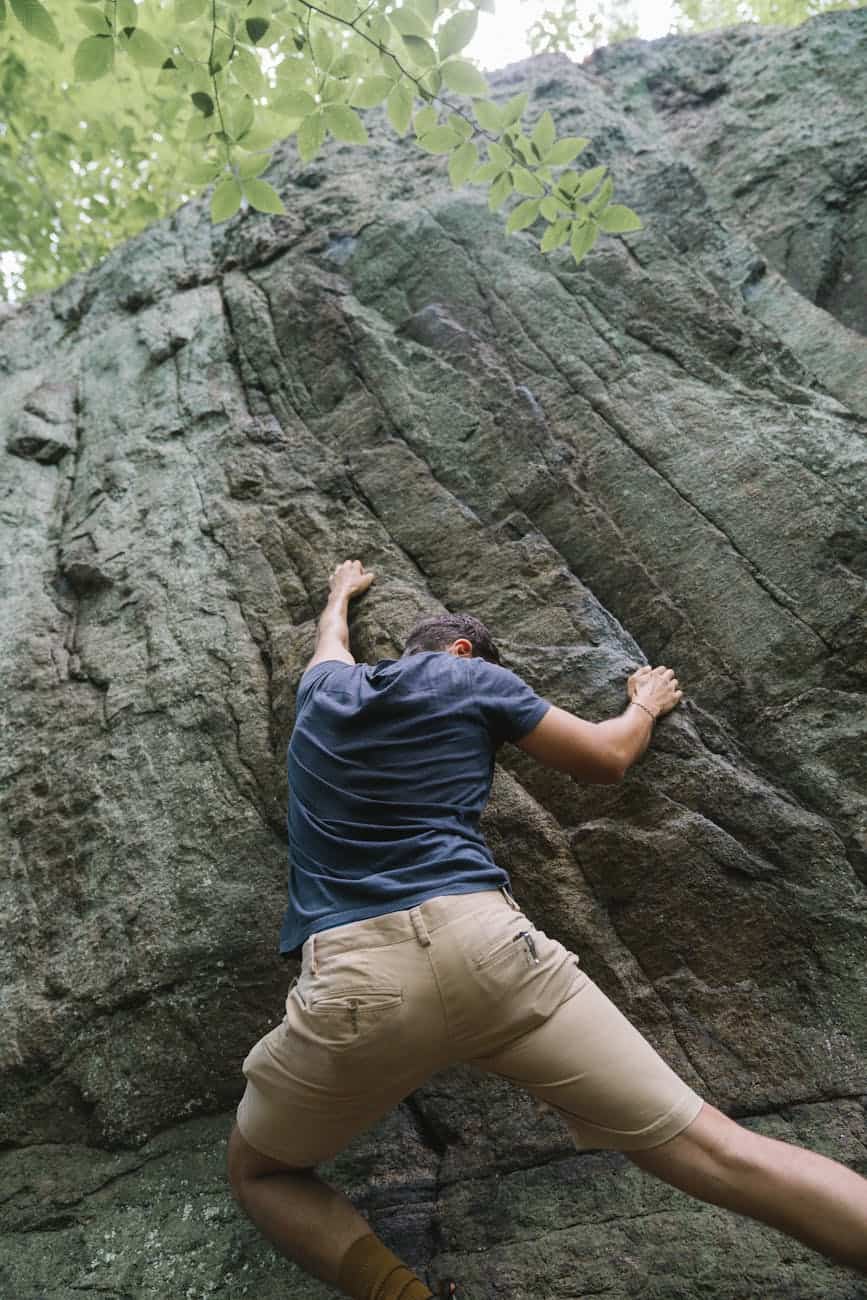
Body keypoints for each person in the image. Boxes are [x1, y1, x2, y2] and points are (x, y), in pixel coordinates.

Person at [228, 560, 867, 1299]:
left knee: (260, 1173)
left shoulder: (324, 691)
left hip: (354, 980)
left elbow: (330, 643)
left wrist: (339, 592)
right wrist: (644, 704)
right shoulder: (471, 677)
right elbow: (604, 757)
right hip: (491, 948)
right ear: (463, 651)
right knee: (717, 1149)